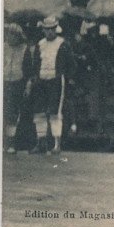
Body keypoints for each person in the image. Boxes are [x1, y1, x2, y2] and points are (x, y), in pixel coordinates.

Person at [27, 16, 76, 154]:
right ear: (43, 30)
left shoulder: (63, 44)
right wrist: (34, 78)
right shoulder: (40, 44)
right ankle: (41, 142)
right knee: (39, 111)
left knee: (55, 112)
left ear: (56, 29)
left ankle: (57, 144)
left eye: (52, 29)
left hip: (56, 81)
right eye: (47, 29)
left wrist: (67, 77)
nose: (49, 32)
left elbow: (71, 64)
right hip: (41, 80)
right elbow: (35, 63)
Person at [3, 22, 31, 153]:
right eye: (8, 34)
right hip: (4, 81)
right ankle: (4, 143)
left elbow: (28, 69)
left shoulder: (24, 49)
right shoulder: (3, 47)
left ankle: (12, 143)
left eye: (13, 35)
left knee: (14, 113)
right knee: (3, 112)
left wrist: (27, 85)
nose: (9, 37)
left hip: (17, 82)